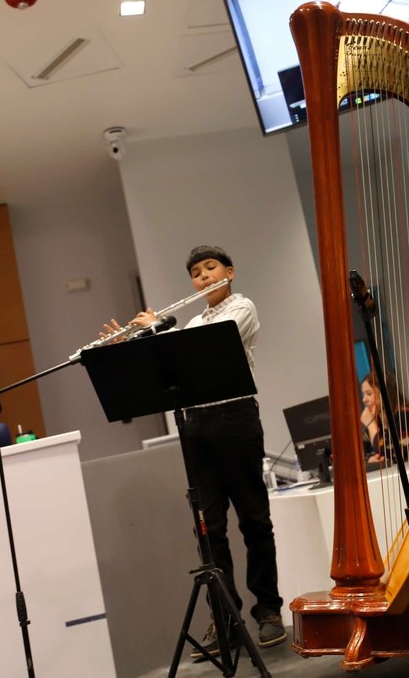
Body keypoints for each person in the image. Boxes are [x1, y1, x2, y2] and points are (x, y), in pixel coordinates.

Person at [106, 245, 286, 658]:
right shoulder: (192, 319)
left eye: (210, 268)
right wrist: (125, 344)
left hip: (235, 418)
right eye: (196, 273)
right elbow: (172, 358)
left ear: (229, 271)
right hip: (196, 424)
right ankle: (226, 618)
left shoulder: (242, 308)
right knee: (210, 528)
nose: (203, 277)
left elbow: (205, 345)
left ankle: (268, 611)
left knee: (254, 519)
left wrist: (158, 328)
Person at [360, 370, 409, 464]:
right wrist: (369, 460)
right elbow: (362, 455)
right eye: (363, 394)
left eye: (369, 394)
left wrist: (371, 425)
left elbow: (396, 454)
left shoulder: (406, 417)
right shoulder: (378, 424)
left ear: (384, 394)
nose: (364, 400)